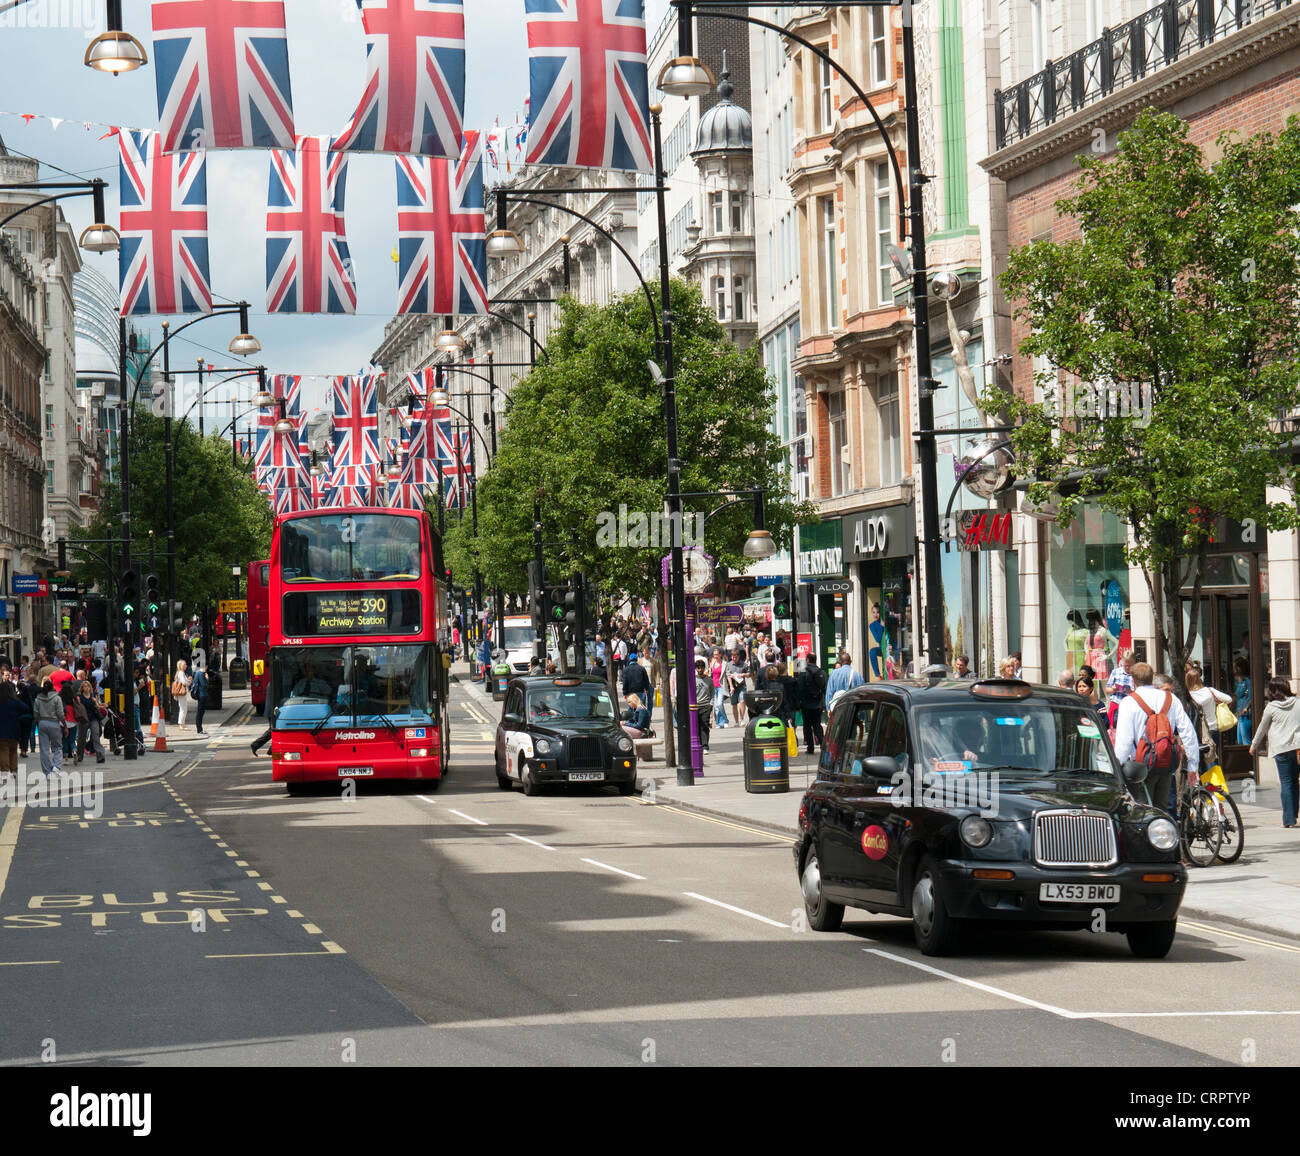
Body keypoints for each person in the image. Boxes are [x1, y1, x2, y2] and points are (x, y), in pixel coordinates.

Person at [1113, 663, 1199, 816]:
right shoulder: (1170, 698)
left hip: (1140, 767)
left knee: (1142, 812)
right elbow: (1188, 732)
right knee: (1162, 810)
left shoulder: (1128, 702)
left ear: (1133, 681)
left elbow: (1124, 741)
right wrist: (1193, 765)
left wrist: (1118, 768)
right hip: (1167, 763)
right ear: (1152, 678)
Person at [1249, 678, 1300, 828]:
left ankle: (1289, 819)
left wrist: (1254, 745)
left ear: (1271, 691)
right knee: (1295, 781)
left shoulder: (1271, 707)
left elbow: (1262, 728)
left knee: (1287, 782)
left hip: (1281, 748)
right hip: (1297, 747)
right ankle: (1294, 813)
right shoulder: (1297, 702)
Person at [1186, 668, 1232, 763]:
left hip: (1197, 731)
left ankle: (1202, 778)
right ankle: (1213, 777)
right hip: (1213, 728)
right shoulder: (1210, 691)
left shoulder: (1189, 696)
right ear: (1199, 679)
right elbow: (1228, 699)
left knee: (1198, 762)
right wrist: (1216, 701)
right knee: (1211, 759)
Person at [34, 678, 65, 775]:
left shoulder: (38, 699)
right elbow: (60, 714)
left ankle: (47, 772)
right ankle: (56, 767)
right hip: (54, 723)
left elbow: (35, 714)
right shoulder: (57, 698)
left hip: (42, 723)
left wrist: (39, 721)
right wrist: (64, 724)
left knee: (44, 749)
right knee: (57, 747)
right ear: (52, 688)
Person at [797, 656, 826, 755]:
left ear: (808, 660)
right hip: (818, 703)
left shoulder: (803, 673)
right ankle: (823, 744)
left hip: (806, 704)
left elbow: (799, 688)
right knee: (817, 724)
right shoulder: (821, 672)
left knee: (807, 726)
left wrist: (800, 702)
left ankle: (810, 747)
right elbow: (824, 688)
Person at [0, 681, 29, 778]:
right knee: (13, 750)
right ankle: (14, 770)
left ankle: (5, 771)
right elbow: (26, 708)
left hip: (1, 730)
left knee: (3, 750)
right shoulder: (15, 701)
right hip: (14, 729)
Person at [74, 680, 106, 765]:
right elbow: (78, 707)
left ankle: (100, 757)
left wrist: (100, 704)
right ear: (82, 688)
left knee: (96, 736)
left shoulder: (93, 696)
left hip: (93, 718)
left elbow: (98, 706)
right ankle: (80, 756)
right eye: (84, 687)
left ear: (90, 688)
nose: (86, 688)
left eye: (87, 686)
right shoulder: (79, 697)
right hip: (84, 719)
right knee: (81, 738)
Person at [725, 648, 749, 726]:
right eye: (732, 657)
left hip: (742, 686)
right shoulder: (728, 664)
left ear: (738, 656)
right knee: (734, 704)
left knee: (742, 701)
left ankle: (742, 719)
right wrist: (731, 683)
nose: (734, 658)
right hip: (732, 687)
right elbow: (728, 675)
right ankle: (736, 721)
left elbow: (749, 674)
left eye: (735, 657)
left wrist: (743, 675)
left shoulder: (743, 664)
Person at [693, 659, 712, 754]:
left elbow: (712, 693)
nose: (700, 669)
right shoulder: (693, 680)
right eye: (698, 668)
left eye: (701, 667)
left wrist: (710, 704)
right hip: (695, 706)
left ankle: (705, 746)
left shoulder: (709, 680)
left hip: (705, 706)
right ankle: (699, 744)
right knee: (695, 726)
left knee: (704, 726)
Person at [1234, 656, 1252, 745]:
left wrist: (1245, 708)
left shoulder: (1248, 680)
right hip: (1241, 713)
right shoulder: (1241, 681)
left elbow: (1251, 696)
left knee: (1245, 741)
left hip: (1245, 714)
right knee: (1240, 740)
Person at [710, 648, 727, 728]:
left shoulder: (724, 663)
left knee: (720, 704)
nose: (715, 656)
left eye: (717, 654)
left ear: (720, 655)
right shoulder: (712, 663)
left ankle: (725, 720)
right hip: (713, 687)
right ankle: (720, 723)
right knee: (716, 706)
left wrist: (732, 686)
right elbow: (710, 674)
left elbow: (728, 675)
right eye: (714, 655)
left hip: (721, 686)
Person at [172, 659, 191, 729]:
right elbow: (184, 682)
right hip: (182, 693)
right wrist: (189, 681)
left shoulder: (180, 672)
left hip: (181, 693)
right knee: (183, 709)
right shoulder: (181, 673)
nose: (186, 666)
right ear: (181, 666)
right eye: (184, 664)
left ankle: (182, 723)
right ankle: (181, 724)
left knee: (183, 708)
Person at [192, 664, 209, 736]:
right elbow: (204, 684)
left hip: (199, 695)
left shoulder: (197, 673)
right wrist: (207, 678)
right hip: (202, 695)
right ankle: (199, 729)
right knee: (200, 712)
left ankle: (199, 729)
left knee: (200, 712)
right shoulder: (201, 674)